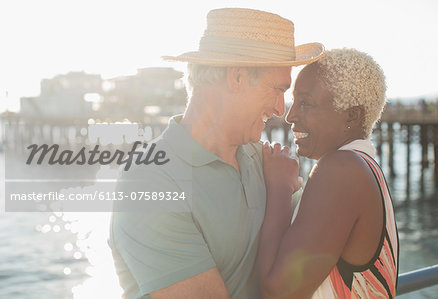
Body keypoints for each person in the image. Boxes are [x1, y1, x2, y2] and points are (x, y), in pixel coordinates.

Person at [109, 8, 324, 299]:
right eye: (277, 89)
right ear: (236, 77)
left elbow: (308, 254)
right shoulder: (149, 184)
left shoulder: (265, 161)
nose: (279, 109)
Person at [258, 48, 399, 298]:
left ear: (352, 116)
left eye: (305, 103)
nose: (290, 116)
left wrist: (279, 187)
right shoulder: (364, 166)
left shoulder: (341, 169)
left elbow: (278, 291)